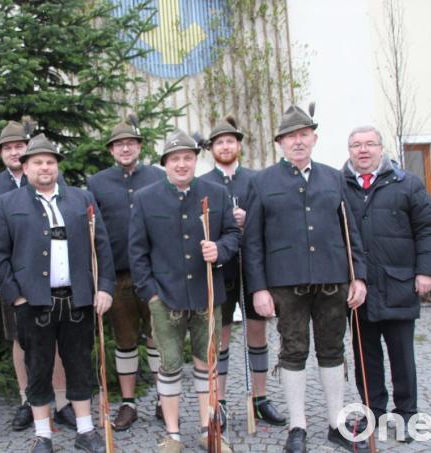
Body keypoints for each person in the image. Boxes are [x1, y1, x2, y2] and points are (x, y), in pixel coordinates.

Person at [242, 105, 369, 453]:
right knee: (293, 352)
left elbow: (350, 233)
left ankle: (336, 423)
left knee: (333, 350)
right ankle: (297, 426)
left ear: (314, 138)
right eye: (290, 137)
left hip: (333, 281)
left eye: (303, 135)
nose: (297, 141)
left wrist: (359, 278)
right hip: (286, 285)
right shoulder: (262, 181)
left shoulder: (334, 178)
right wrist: (258, 289)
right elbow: (252, 242)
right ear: (280, 143)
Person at [0, 133, 116, 453]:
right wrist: (15, 296)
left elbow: (101, 247)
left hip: (78, 298)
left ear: (57, 166)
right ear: (26, 167)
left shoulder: (81, 199)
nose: (44, 168)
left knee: (79, 364)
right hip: (33, 302)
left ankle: (86, 431)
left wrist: (104, 288)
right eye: (37, 163)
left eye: (50, 162)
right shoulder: (8, 203)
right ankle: (43, 434)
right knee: (38, 367)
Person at [129, 129, 240, 453]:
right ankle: (173, 434)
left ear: (195, 159)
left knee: (207, 362)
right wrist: (150, 293)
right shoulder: (146, 198)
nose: (181, 164)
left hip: (207, 294)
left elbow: (233, 234)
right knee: (170, 364)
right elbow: (137, 252)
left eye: (187, 158)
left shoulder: (216, 193)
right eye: (175, 159)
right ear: (165, 163)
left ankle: (208, 429)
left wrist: (219, 250)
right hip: (164, 297)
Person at [342, 125, 431, 442]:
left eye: (370, 144)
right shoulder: (339, 187)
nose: (363, 150)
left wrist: (426, 271)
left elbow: (429, 228)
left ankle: (407, 416)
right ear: (349, 151)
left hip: (399, 284)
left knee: (402, 357)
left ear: (381, 148)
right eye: (356, 145)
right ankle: (374, 412)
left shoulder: (407, 183)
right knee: (365, 356)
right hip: (359, 290)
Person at [0, 118, 74, 431]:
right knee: (21, 341)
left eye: (18, 146)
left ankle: (62, 402)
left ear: (28, 150)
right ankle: (28, 399)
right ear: (1, 153)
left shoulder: (50, 178)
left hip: (54, 281)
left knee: (57, 340)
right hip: (17, 282)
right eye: (7, 147)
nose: (13, 151)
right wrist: (10, 287)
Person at [197, 115, 286, 429]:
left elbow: (269, 221)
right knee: (219, 336)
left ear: (238, 145)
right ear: (212, 149)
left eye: (230, 141)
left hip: (253, 266)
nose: (225, 146)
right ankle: (218, 402)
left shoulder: (255, 179)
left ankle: (260, 398)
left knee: (257, 330)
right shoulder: (202, 183)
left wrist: (249, 218)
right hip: (220, 269)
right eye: (219, 142)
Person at [86, 114, 165, 430]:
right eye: (119, 144)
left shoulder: (159, 177)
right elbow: (93, 233)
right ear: (111, 150)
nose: (125, 148)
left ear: (140, 146)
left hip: (156, 274)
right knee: (125, 341)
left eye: (130, 142)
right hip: (116, 275)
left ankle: (164, 398)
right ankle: (129, 404)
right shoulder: (97, 183)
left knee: (159, 339)